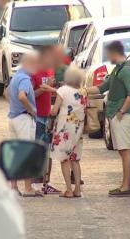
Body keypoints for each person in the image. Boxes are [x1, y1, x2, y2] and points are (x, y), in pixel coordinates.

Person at [82, 41, 130, 197]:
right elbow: (102, 87)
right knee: (123, 151)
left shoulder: (126, 70)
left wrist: (121, 111)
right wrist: (85, 90)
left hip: (122, 116)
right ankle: (124, 185)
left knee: (126, 151)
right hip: (116, 114)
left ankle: (126, 186)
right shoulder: (117, 70)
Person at [5, 52, 43, 197]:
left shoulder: (16, 76)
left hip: (13, 118)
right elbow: (22, 96)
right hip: (23, 119)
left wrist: (14, 106)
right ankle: (28, 188)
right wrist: (31, 110)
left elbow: (6, 93)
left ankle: (14, 186)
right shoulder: (25, 79)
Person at [50, 66, 87, 198]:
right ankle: (77, 189)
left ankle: (68, 190)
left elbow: (54, 111)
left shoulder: (63, 90)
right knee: (75, 160)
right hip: (78, 128)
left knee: (64, 159)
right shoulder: (83, 92)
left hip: (64, 129)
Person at [31, 46, 61, 194]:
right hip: (36, 115)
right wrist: (43, 89)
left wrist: (51, 86)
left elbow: (51, 91)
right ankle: (35, 179)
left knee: (47, 149)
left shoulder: (50, 71)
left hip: (47, 114)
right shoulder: (33, 73)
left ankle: (45, 180)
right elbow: (30, 95)